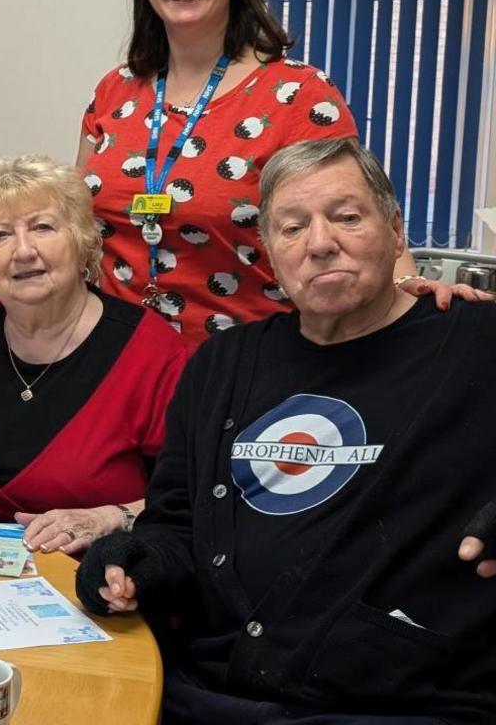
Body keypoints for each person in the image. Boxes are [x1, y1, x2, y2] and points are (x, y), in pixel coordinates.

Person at [78, 138, 496, 724]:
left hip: (400, 704)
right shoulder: (221, 365)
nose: (321, 244)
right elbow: (176, 523)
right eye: (292, 227)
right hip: (203, 693)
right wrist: (134, 561)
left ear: (396, 232)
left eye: (347, 218)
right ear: (270, 254)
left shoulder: (476, 342)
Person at [78, 0, 480, 343]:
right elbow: (78, 228)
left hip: (245, 368)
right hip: (123, 360)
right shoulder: (115, 91)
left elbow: (353, 214)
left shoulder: (298, 96)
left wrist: (406, 285)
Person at [0, 157, 188, 554]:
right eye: (1, 235)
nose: (23, 251)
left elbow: (190, 498)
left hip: (95, 577)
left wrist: (110, 518)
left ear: (83, 241)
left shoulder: (153, 353)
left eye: (42, 227)